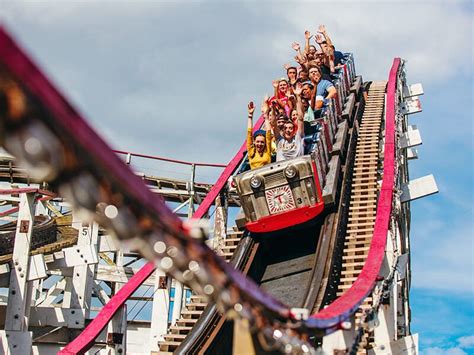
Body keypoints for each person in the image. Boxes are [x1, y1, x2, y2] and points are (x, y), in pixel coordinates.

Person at [272, 83, 305, 161]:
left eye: (290, 128)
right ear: (282, 130)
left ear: (294, 131)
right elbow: (273, 123)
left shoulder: (298, 138)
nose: (288, 130)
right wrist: (273, 109)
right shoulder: (280, 140)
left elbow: (300, 118)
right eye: (286, 128)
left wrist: (298, 97)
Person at [246, 100, 272, 170]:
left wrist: (266, 117)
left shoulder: (267, 151)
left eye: (262, 142)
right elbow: (249, 133)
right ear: (254, 142)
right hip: (255, 179)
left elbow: (268, 133)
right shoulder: (251, 152)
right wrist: (250, 116)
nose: (259, 144)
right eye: (258, 141)